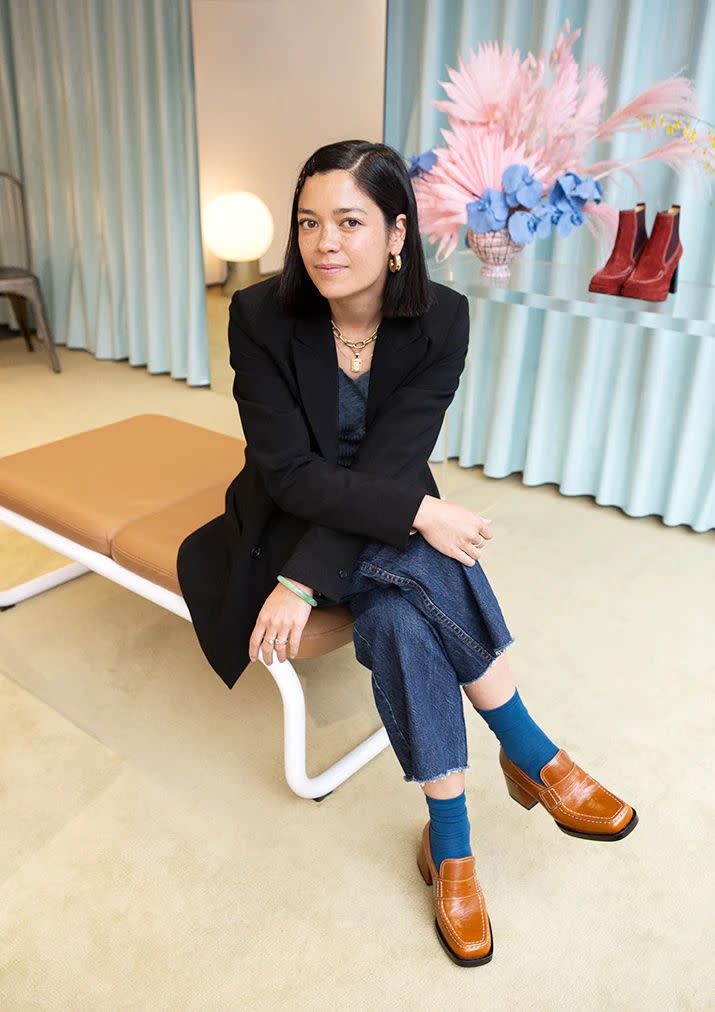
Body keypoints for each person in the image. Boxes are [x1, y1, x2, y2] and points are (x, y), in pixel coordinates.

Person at [176, 139, 638, 967]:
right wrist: (302, 575)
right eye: (309, 222)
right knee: (427, 542)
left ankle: (451, 845)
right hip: (287, 517)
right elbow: (287, 474)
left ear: (396, 234)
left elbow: (391, 458)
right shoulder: (259, 314)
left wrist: (405, 511)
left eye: (349, 222)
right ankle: (529, 754)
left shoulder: (440, 317)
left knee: (396, 615)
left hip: (385, 499)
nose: (324, 243)